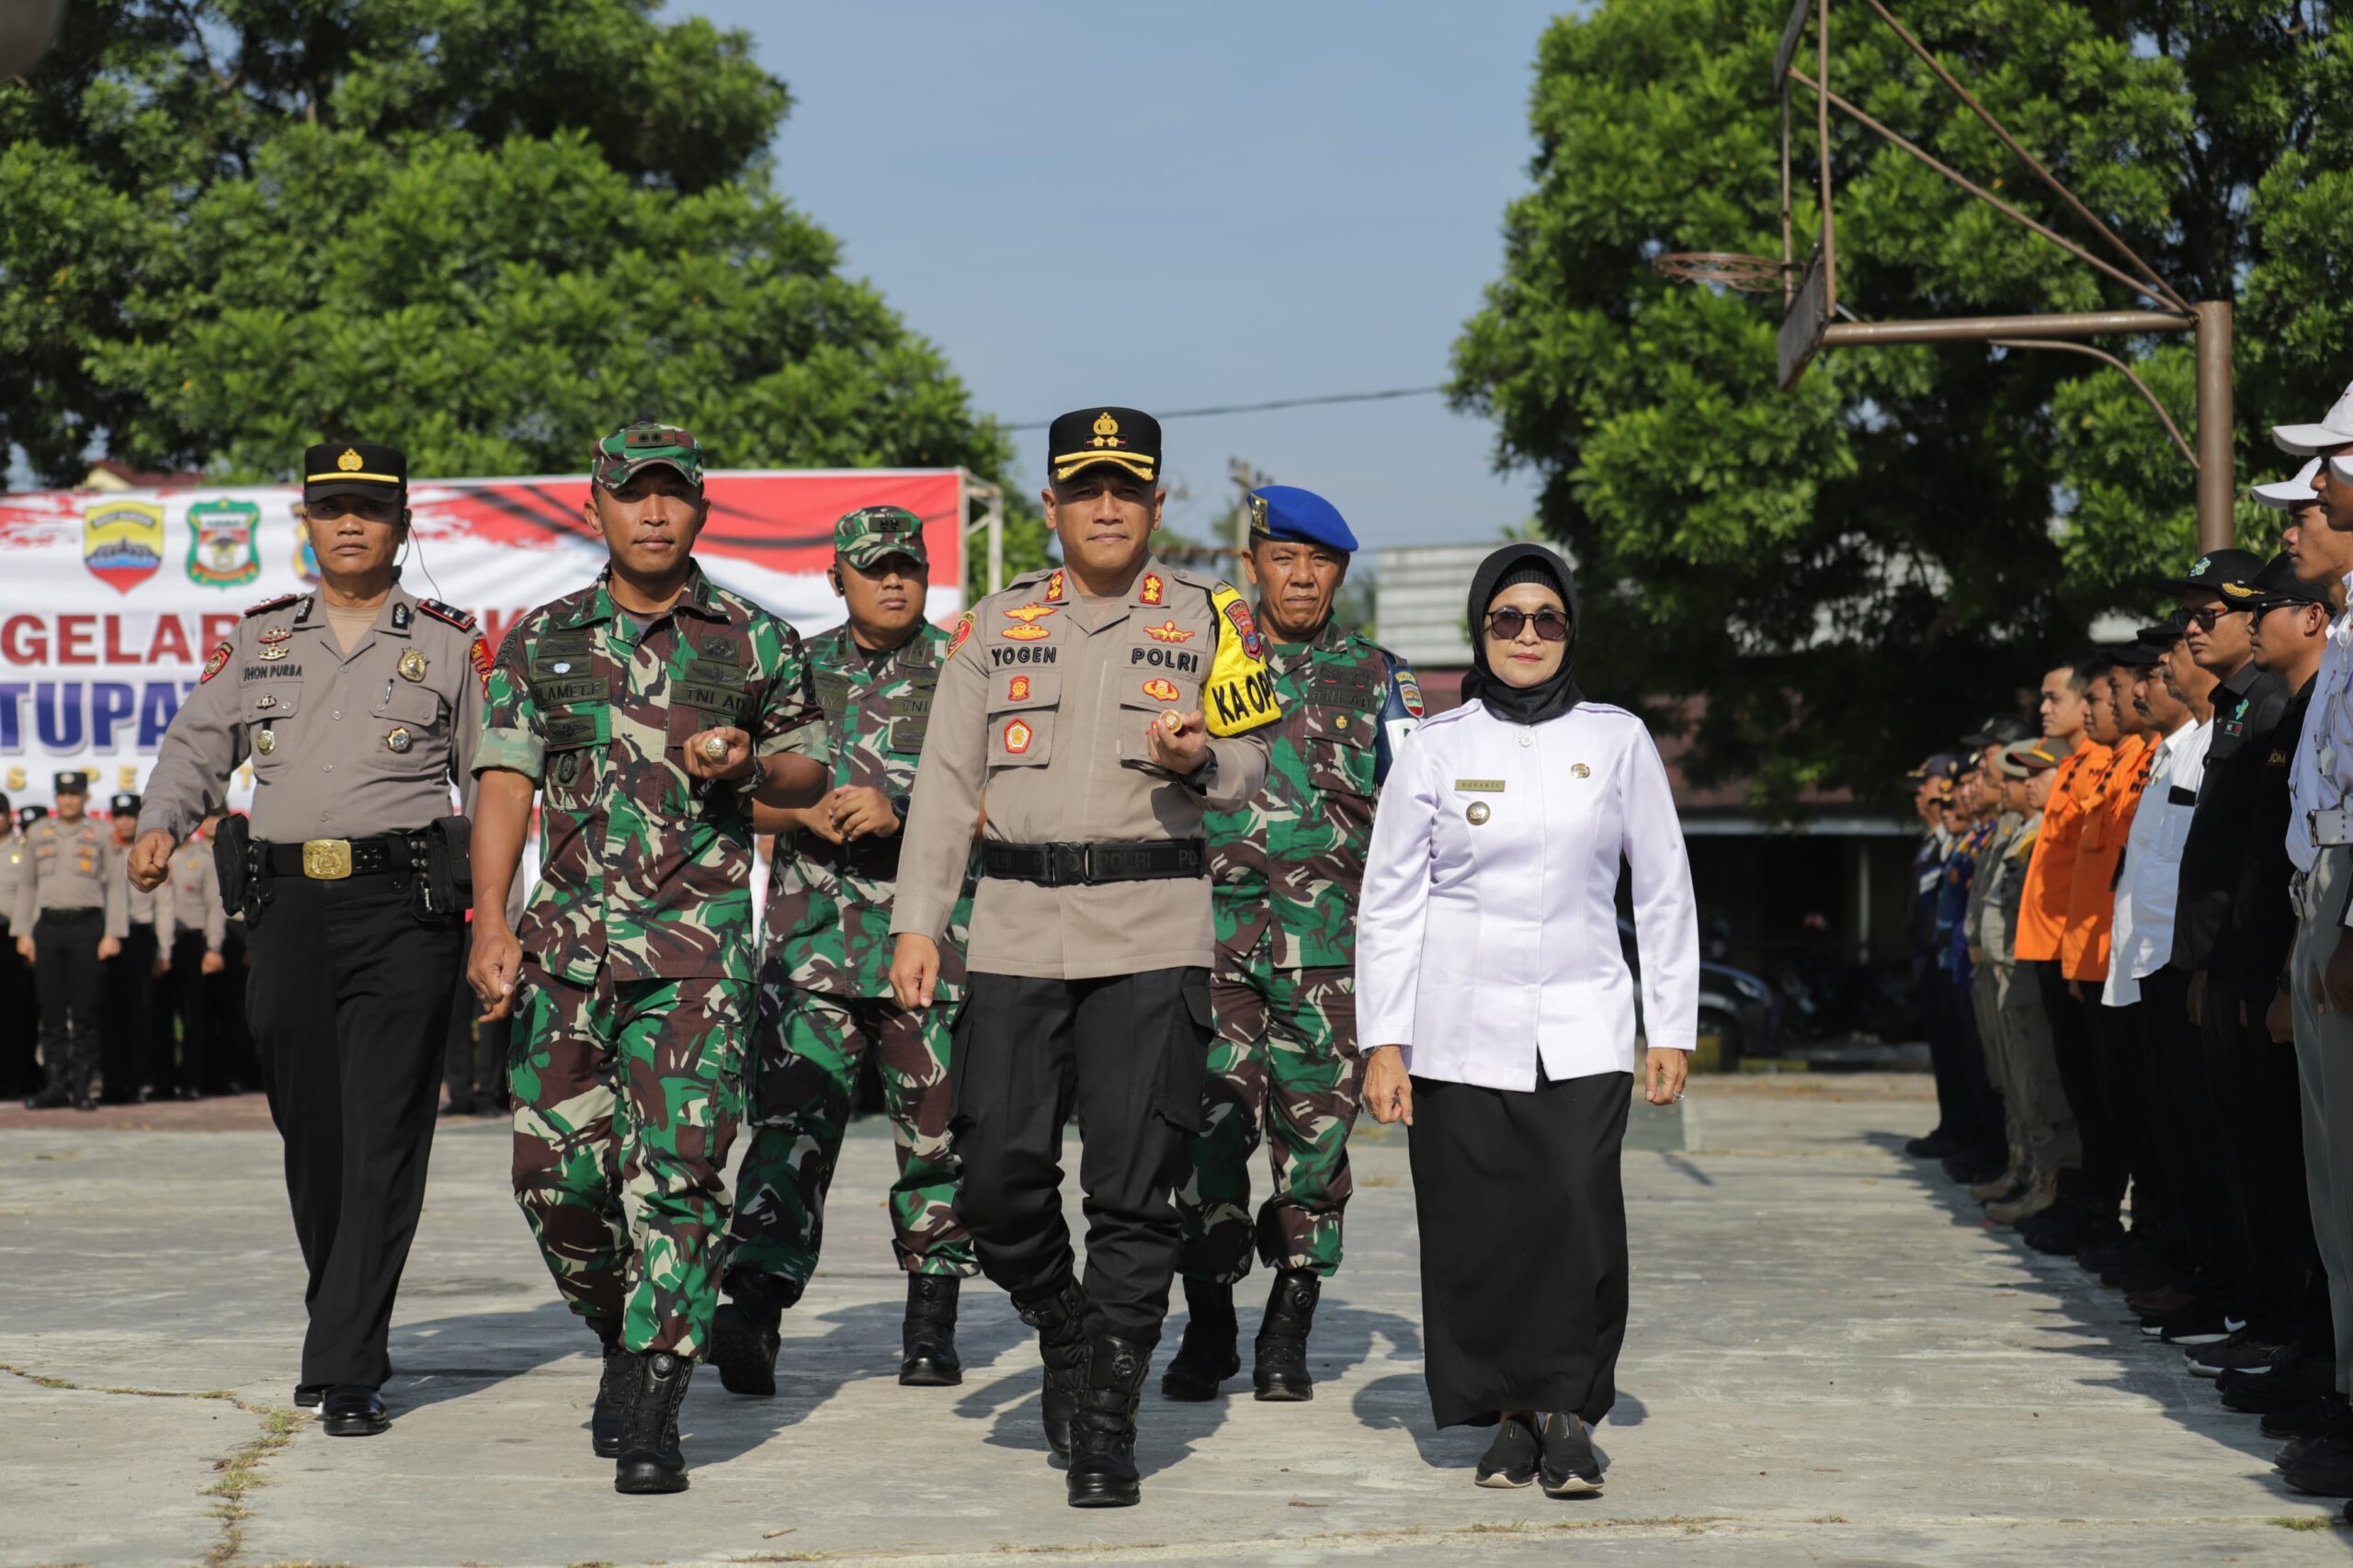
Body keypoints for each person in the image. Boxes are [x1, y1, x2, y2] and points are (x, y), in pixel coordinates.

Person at [887, 406, 1278, 1508]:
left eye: (1127, 489)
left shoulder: (1215, 620)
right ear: (1050, 506)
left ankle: (1109, 1417)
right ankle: (1062, 1321)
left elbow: (1251, 766)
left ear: (1157, 506)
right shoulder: (991, 626)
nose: (1106, 506)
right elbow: (946, 786)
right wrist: (918, 920)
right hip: (1013, 924)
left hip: (1152, 928)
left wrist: (1201, 757)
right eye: (1084, 488)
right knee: (993, 1178)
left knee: (1134, 1187)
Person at [468, 421, 829, 1496]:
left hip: (697, 956)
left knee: (676, 1180)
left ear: (702, 511)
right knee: (552, 1179)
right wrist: (492, 918)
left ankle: (659, 1396)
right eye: (635, 495)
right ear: (598, 509)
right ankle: (628, 1329)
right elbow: (502, 781)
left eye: (674, 495)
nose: (655, 513)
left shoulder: (753, 641)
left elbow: (808, 771)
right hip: (566, 951)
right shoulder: (541, 641)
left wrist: (752, 757)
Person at [131, 440, 487, 1437]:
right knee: (314, 1136)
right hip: (285, 911)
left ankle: (347, 1360)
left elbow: (494, 783)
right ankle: (341, 1313)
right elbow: (200, 741)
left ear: (403, 526)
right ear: (308, 522)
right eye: (331, 507)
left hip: (402, 911)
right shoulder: (259, 640)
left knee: (383, 1131)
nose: (349, 524)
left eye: (369, 510)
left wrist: (501, 913)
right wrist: (166, 819)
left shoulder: (453, 648)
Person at [1356, 541, 1694, 1499]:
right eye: (1508, 618)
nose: (1528, 635)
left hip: (1584, 1022)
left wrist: (1669, 1023)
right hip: (1456, 1028)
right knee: (1479, 1226)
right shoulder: (1434, 745)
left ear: (1569, 630)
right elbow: (1389, 902)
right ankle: (1507, 1414)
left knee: (1575, 1211)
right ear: (1480, 629)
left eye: (1547, 618)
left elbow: (1662, 887)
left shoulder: (1617, 738)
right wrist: (1384, 1039)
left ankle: (1569, 1409)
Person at [711, 504, 980, 1398]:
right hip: (809, 950)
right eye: (873, 568)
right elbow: (726, 797)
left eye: (907, 565)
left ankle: (930, 1322)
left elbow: (1010, 799)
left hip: (929, 949)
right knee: (789, 1129)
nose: (893, 580)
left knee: (936, 1139)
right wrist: (800, 813)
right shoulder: (794, 669)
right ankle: (752, 1305)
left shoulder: (963, 671)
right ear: (837, 577)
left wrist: (905, 814)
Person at [1164, 484, 1422, 1404]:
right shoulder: (1198, 665)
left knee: (1313, 1151)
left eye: (1320, 561)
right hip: (1212, 941)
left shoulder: (1381, 678)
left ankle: (1288, 1321)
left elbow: (1416, 821)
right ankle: (1208, 1321)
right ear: (1252, 564)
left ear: (1340, 573)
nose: (1302, 575)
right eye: (1284, 556)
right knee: (1203, 1131)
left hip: (1331, 955)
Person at [1980, 739, 2077, 1225]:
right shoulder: (2021, 832)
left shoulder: (2045, 831)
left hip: (2031, 971)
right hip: (2008, 972)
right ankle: (2028, 1169)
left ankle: (2049, 1180)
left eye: (2035, 775)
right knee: (2019, 1080)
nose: (2025, 786)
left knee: (2040, 1082)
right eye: (2024, 778)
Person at [17, 771, 123, 1110]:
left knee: (85, 1013)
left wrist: (113, 933)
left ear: (85, 798)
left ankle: (81, 1087)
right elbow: (28, 886)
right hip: (48, 928)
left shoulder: (102, 833)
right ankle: (55, 1085)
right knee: (50, 1014)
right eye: (62, 794)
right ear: (55, 798)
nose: (68, 800)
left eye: (74, 794)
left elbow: (116, 885)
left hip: (87, 928)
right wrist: (23, 931)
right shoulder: (37, 832)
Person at [156, 813, 227, 1101]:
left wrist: (213, 948)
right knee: (159, 1014)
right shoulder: (153, 856)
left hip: (191, 942)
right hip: (159, 943)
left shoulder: (203, 859)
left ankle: (190, 1081)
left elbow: (214, 906)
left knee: (193, 1015)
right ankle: (161, 1082)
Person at [100, 791, 161, 1104]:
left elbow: (163, 901)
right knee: (108, 1013)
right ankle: (112, 1082)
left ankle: (138, 1081)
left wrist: (165, 949)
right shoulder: (104, 850)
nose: (124, 821)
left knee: (139, 1011)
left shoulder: (148, 852)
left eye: (129, 815)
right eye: (119, 816)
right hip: (108, 939)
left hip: (139, 936)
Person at [0, 791, 36, 1099]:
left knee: (15, 1010)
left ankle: (15, 1077)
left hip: (12, 937)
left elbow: (32, 893)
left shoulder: (23, 850)